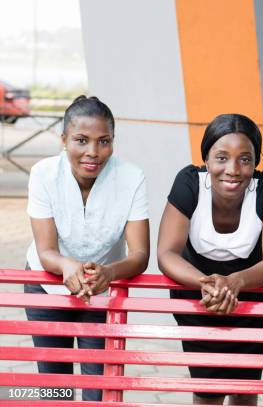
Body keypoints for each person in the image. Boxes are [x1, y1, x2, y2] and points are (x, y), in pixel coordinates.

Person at [157, 113, 263, 405]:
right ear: (206, 158)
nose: (233, 169)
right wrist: (209, 284)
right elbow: (167, 253)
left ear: (256, 161)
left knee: (245, 388)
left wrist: (235, 282)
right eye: (221, 157)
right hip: (198, 298)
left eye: (245, 159)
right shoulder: (189, 183)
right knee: (207, 390)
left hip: (256, 296)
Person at [25, 95, 150, 401]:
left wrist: (108, 272)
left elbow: (139, 254)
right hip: (47, 287)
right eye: (81, 140)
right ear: (64, 139)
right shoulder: (43, 173)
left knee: (98, 390)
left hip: (102, 290)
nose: (93, 152)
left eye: (104, 141)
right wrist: (67, 266)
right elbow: (46, 251)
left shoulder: (132, 177)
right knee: (56, 387)